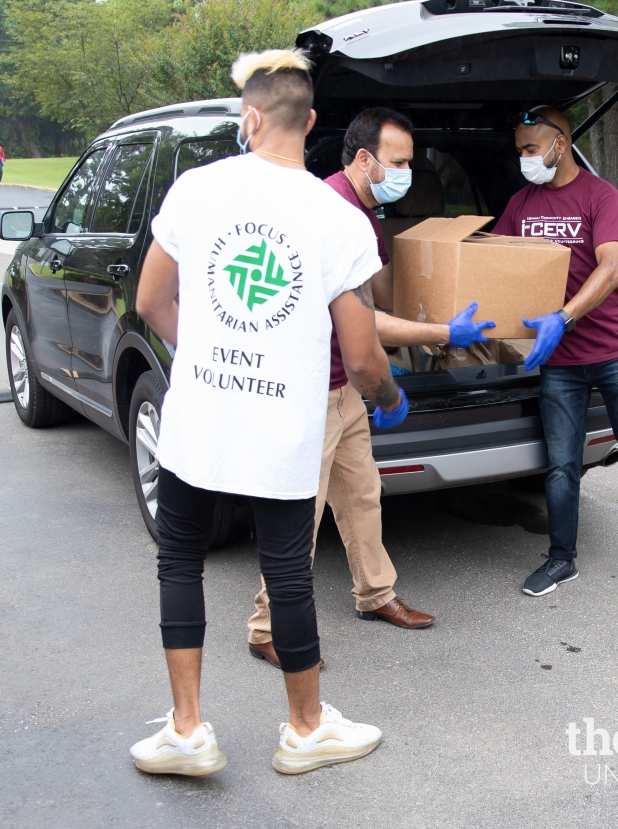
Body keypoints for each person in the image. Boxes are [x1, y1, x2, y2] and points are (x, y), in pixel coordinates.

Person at [132, 50, 405, 776]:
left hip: (199, 419)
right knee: (288, 572)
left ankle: (187, 731)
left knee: (180, 559)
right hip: (285, 423)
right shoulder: (333, 215)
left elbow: (151, 302)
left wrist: (207, 356)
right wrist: (385, 396)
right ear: (311, 123)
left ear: (249, 118)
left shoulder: (196, 190)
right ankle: (305, 729)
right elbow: (363, 350)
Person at [245, 107, 496, 662]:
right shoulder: (334, 213)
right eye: (401, 162)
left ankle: (375, 593)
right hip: (311, 389)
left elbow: (380, 298)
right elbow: (364, 323)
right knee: (299, 517)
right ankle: (267, 629)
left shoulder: (364, 212)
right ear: (364, 159)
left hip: (342, 389)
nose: (410, 172)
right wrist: (441, 331)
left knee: (361, 496)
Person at [495, 106, 618, 597]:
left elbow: (613, 268)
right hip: (560, 362)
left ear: (560, 143)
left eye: (531, 149)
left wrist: (564, 318)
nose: (525, 159)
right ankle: (561, 560)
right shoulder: (521, 204)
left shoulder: (602, 195)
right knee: (560, 466)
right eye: (519, 152)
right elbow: (495, 263)